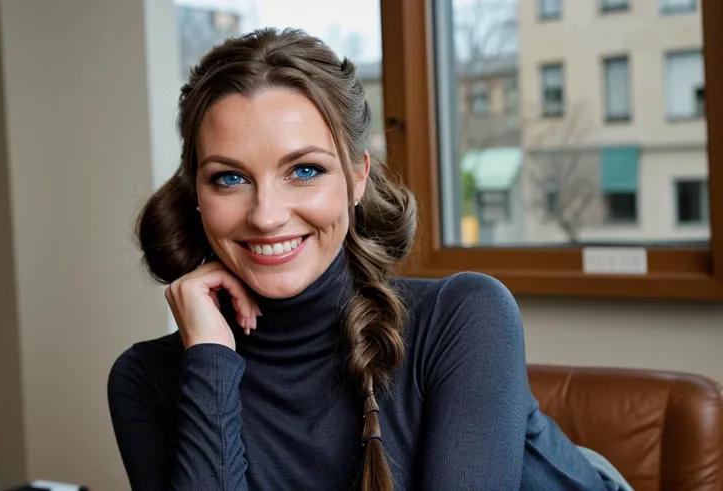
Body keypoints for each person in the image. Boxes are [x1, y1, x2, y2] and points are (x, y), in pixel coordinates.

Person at [107, 28, 624, 491]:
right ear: (196, 193)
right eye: (230, 178)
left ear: (357, 177)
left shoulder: (466, 316)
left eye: (304, 171)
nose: (266, 216)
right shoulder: (146, 378)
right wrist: (212, 363)